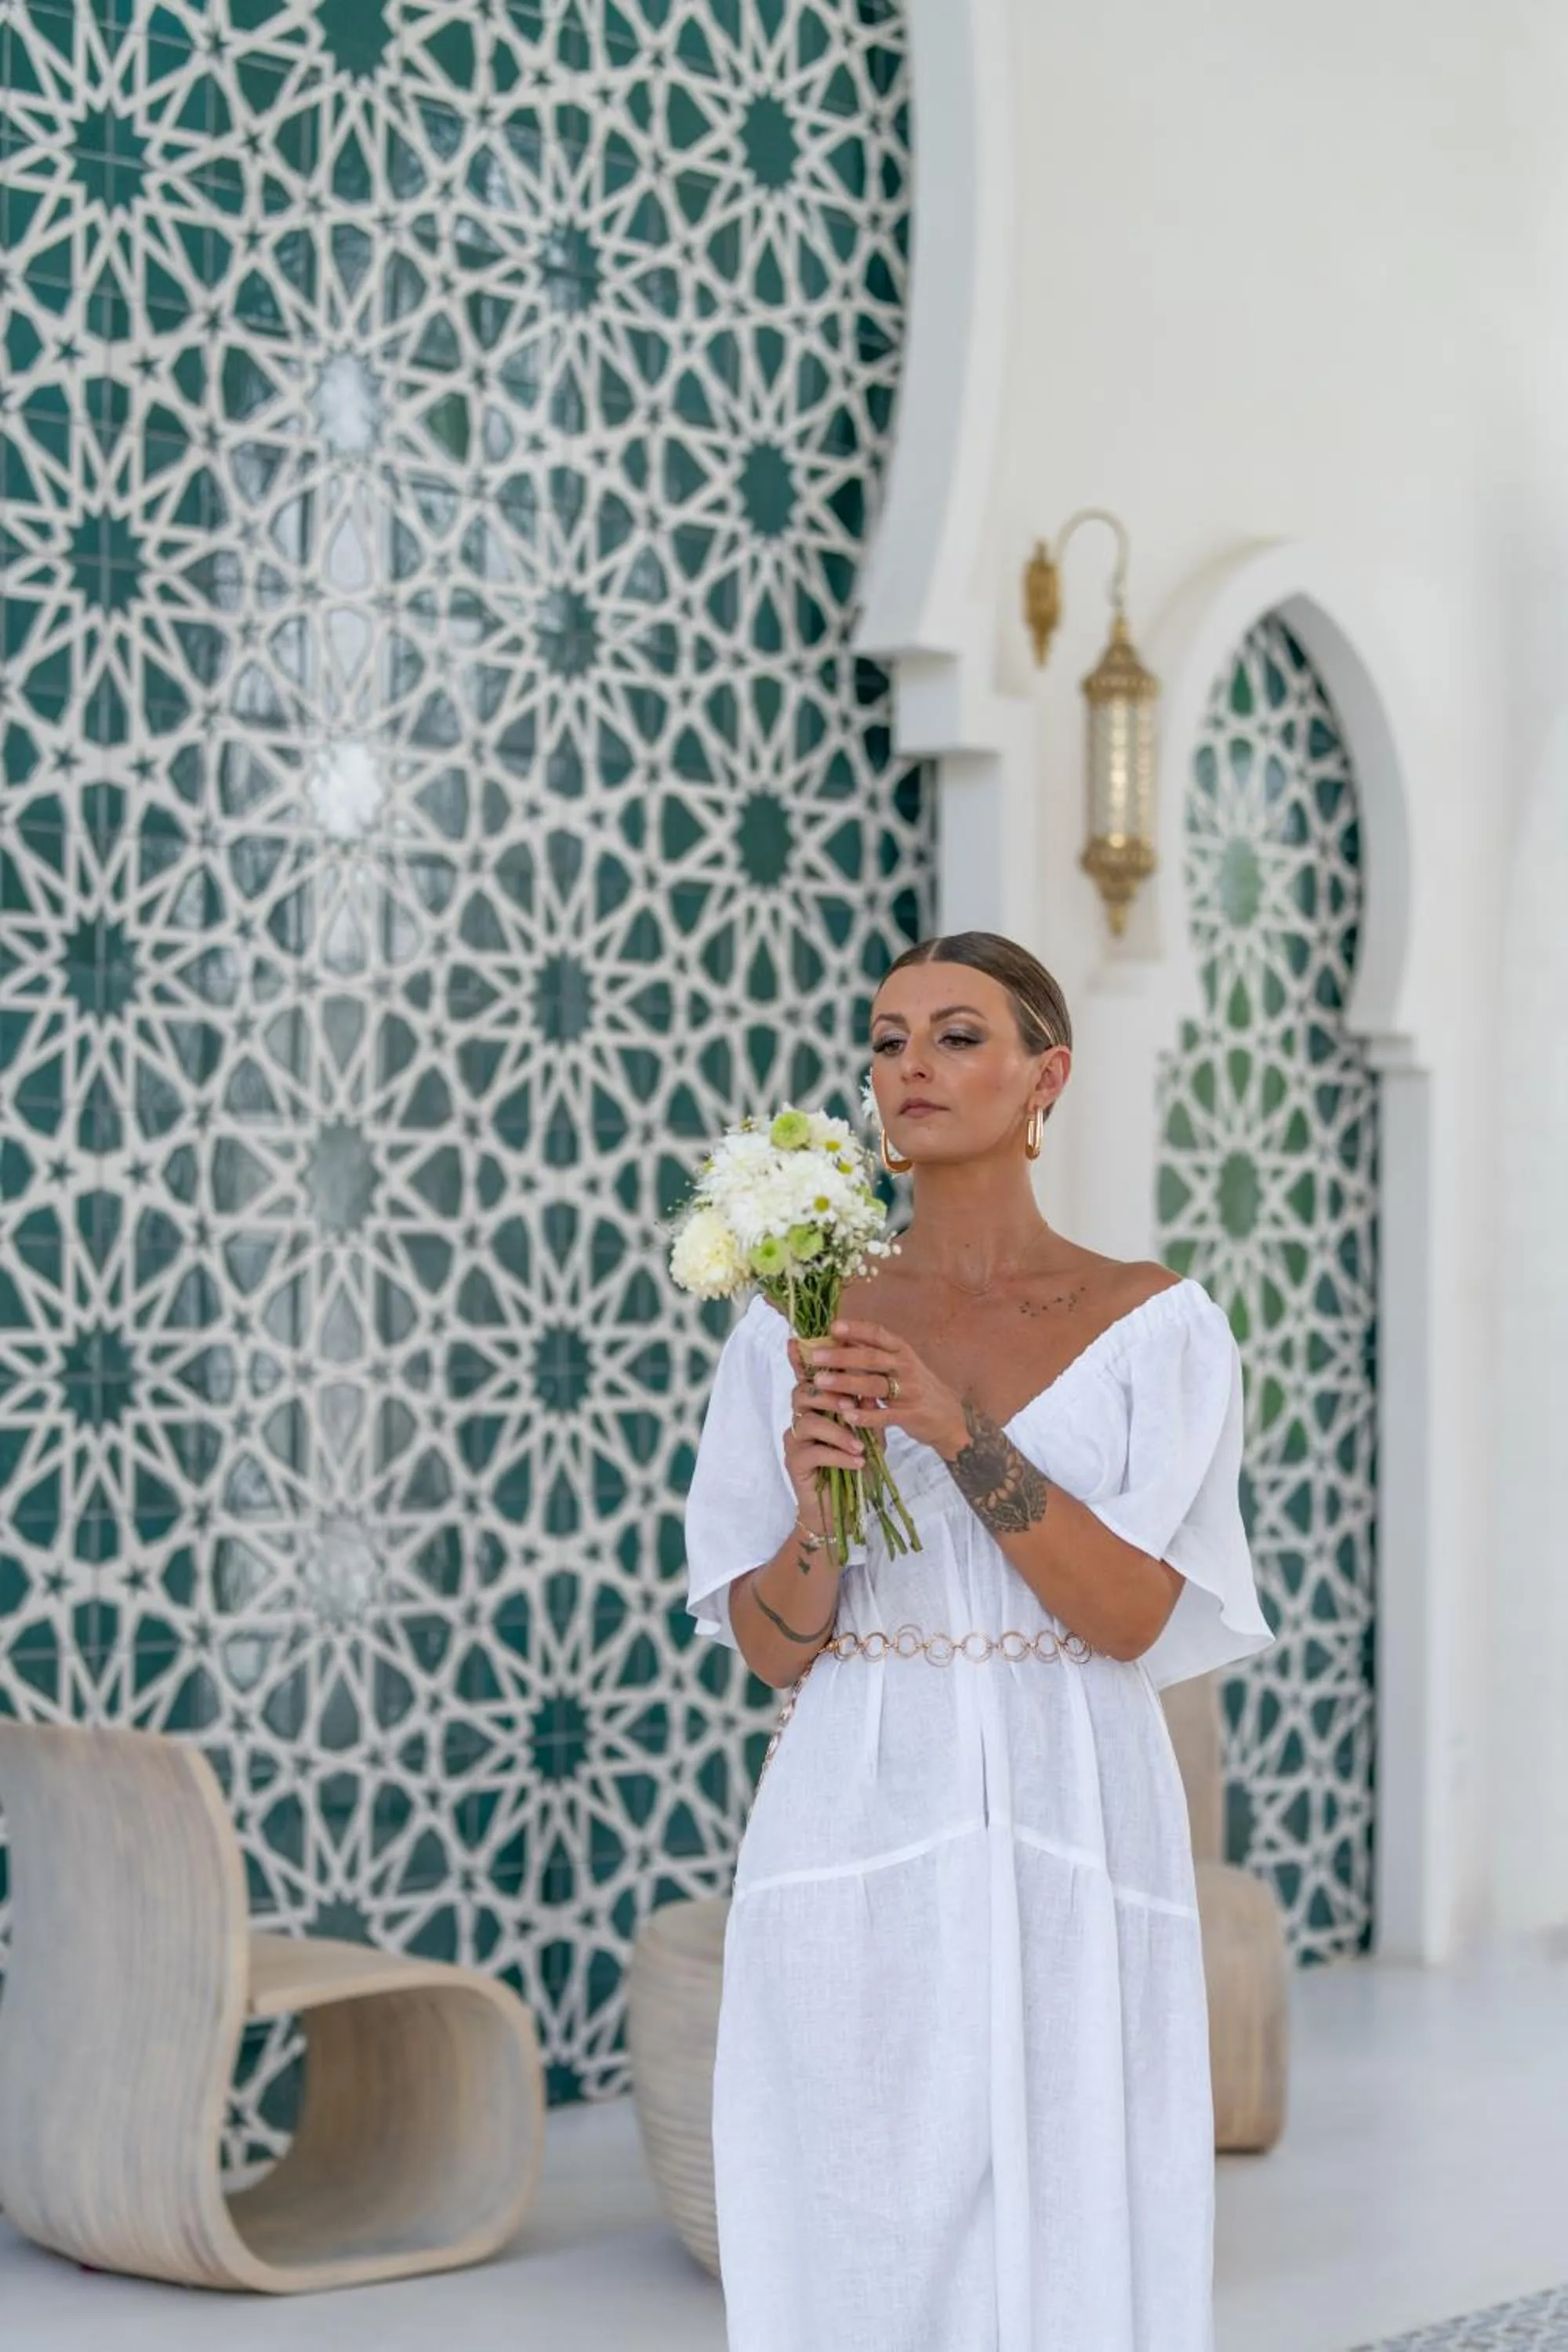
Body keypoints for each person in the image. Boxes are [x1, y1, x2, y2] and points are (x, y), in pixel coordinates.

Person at [683, 930, 1273, 2352]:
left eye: (956, 1036)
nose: (909, 1068)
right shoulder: (798, 1323)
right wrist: (824, 1513)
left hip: (1077, 1797)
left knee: (1075, 2195)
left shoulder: (1155, 1323)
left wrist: (957, 1431)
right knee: (856, 2198)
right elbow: (772, 1647)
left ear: (1042, 1077)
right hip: (856, 1798)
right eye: (887, 1040)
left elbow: (1130, 1614)